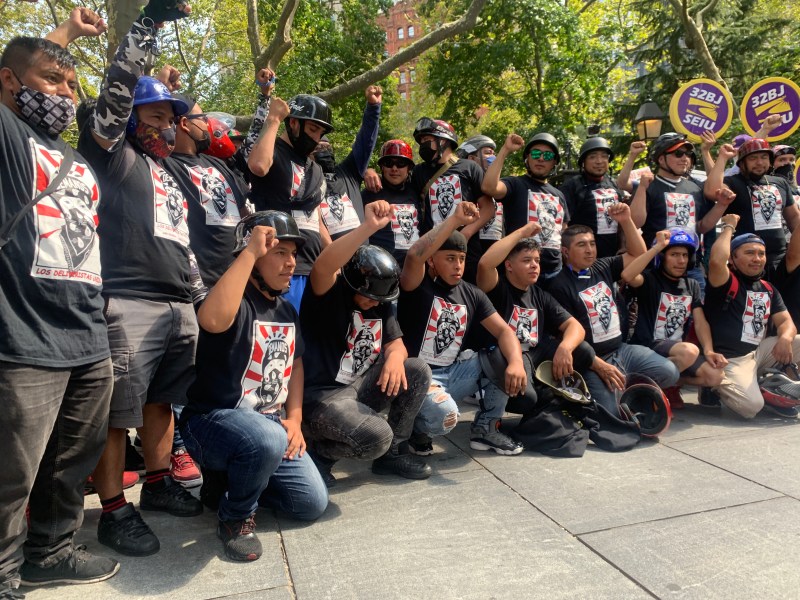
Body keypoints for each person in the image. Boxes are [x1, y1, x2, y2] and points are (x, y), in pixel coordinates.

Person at [0, 8, 120, 595]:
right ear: (9, 82)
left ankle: (52, 549)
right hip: (23, 336)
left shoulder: (74, 157)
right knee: (11, 473)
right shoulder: (8, 136)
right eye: (51, 80)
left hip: (86, 336)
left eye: (73, 85)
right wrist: (65, 34)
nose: (65, 93)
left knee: (71, 462)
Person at [77, 1, 203, 558]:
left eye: (171, 119)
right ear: (130, 118)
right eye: (155, 117)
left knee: (161, 404)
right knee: (117, 411)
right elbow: (117, 90)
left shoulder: (171, 170)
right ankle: (111, 509)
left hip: (180, 304)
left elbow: (183, 242)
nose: (166, 127)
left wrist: (198, 300)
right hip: (127, 300)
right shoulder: (112, 151)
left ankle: (157, 483)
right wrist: (149, 24)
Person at [179, 211, 327, 562]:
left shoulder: (287, 312)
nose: (291, 262)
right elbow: (213, 320)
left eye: (293, 254)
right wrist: (249, 252)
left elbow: (296, 364)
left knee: (310, 503)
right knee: (265, 438)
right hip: (213, 421)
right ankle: (236, 518)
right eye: (279, 252)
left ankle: (233, 486)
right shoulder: (233, 300)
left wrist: (295, 417)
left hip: (270, 425)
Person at [300, 201, 432, 485]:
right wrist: (369, 227)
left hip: (357, 387)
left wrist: (395, 357)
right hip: (322, 397)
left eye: (380, 300)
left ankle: (393, 455)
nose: (374, 303)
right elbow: (324, 265)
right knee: (375, 437)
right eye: (369, 296)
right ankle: (320, 454)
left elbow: (397, 344)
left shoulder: (379, 303)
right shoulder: (329, 294)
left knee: (416, 369)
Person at [398, 201, 527, 456]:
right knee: (445, 416)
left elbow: (504, 331)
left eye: (462, 259)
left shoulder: (473, 294)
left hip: (453, 374)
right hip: (416, 376)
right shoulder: (417, 284)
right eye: (450, 258)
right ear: (432, 261)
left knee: (500, 355)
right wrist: (455, 221)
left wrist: (516, 363)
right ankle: (414, 430)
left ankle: (486, 429)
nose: (458, 265)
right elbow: (414, 255)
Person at [547, 204, 681, 411]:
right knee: (610, 413)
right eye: (581, 245)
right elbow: (563, 336)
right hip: (591, 360)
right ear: (565, 252)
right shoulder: (558, 285)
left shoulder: (603, 266)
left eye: (592, 243)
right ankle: (612, 392)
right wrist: (597, 365)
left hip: (622, 350)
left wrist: (626, 220)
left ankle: (628, 388)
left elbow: (637, 253)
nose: (590, 249)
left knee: (670, 372)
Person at [476, 222, 595, 414]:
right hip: (505, 356)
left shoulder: (540, 294)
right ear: (509, 265)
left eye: (537, 261)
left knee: (584, 351)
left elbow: (576, 327)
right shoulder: (497, 288)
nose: (534, 266)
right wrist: (522, 232)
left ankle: (549, 395)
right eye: (526, 261)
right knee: (527, 400)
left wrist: (565, 348)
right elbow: (485, 263)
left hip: (534, 354)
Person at [703, 215, 800, 418]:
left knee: (797, 340)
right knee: (751, 408)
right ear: (733, 258)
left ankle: (767, 384)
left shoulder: (768, 288)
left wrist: (785, 337)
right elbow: (715, 261)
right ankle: (714, 387)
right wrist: (729, 226)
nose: (757, 258)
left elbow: (785, 322)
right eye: (749, 253)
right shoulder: (725, 281)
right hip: (731, 360)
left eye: (761, 254)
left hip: (759, 353)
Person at [621, 228, 728, 408]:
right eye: (674, 255)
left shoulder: (691, 284)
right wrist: (657, 247)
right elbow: (627, 275)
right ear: (662, 257)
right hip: (649, 344)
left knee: (715, 376)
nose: (681, 261)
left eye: (685, 255)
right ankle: (644, 391)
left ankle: (669, 384)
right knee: (689, 351)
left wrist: (709, 351)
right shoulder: (649, 279)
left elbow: (700, 321)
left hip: (676, 350)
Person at [247, 93, 333, 310]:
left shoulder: (316, 169)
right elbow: (258, 165)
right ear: (293, 123)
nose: (316, 138)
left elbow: (318, 219)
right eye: (313, 130)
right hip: (280, 270)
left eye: (320, 133)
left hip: (314, 272)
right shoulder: (272, 150)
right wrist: (274, 119)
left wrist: (334, 261)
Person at [630, 132, 728, 296]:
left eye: (688, 154)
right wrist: (641, 189)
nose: (685, 158)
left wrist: (722, 205)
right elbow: (635, 223)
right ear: (661, 159)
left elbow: (702, 227)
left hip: (690, 267)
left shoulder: (695, 188)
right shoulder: (649, 185)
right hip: (656, 267)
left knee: (698, 316)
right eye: (678, 153)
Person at [409, 117, 493, 283]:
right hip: (432, 250)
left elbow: (488, 208)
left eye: (427, 140)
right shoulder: (418, 172)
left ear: (443, 141)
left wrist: (466, 234)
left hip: (466, 251)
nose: (423, 145)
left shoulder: (470, 168)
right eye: (421, 141)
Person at [482, 132, 569, 287]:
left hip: (555, 274)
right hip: (520, 273)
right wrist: (505, 150)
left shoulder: (560, 195)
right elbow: (489, 187)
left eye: (548, 156)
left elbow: (564, 231)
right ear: (527, 158)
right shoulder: (515, 184)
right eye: (536, 153)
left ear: (554, 162)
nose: (541, 158)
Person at [705, 139, 800, 278]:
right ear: (742, 163)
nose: (760, 162)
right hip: (745, 260)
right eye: (753, 158)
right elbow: (712, 191)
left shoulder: (780, 183)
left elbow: (794, 218)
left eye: (764, 157)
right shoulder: (733, 182)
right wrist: (722, 157)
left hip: (779, 258)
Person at [316, 85, 382, 240]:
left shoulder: (349, 172)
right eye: (318, 147)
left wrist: (373, 108)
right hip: (329, 258)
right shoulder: (305, 179)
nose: (324, 151)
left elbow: (366, 141)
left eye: (327, 147)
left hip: (361, 256)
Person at [560, 137, 625, 258]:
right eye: (592, 157)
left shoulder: (614, 184)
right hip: (584, 257)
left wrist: (623, 246)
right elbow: (563, 224)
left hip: (613, 257)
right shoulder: (572, 186)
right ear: (583, 162)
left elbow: (622, 221)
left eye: (604, 156)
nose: (599, 161)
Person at [362, 139, 419, 267]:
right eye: (388, 163)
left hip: (414, 267)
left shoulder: (417, 188)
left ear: (409, 167)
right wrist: (366, 171)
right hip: (378, 267)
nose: (394, 168)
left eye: (400, 163)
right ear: (382, 167)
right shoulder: (370, 193)